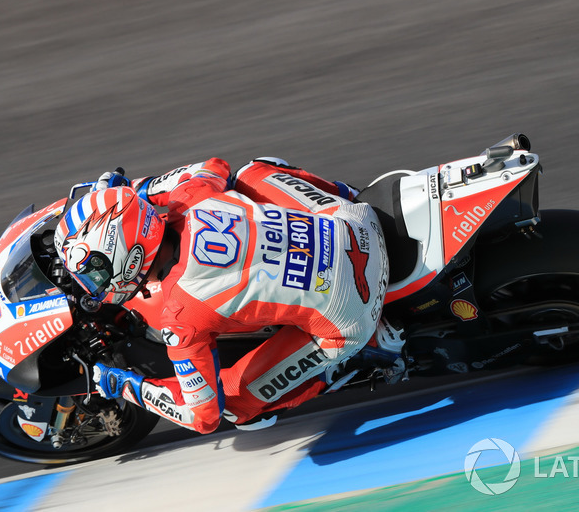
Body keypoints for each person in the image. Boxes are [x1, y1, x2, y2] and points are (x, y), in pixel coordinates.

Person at [53, 157, 404, 434]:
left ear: (129, 260)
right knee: (251, 171)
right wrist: (134, 190)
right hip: (354, 222)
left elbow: (202, 417)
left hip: (353, 311)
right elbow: (214, 166)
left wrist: (127, 386)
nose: (92, 285)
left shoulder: (180, 316)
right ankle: (352, 193)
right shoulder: (189, 196)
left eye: (94, 272)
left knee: (235, 405)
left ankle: (368, 351)